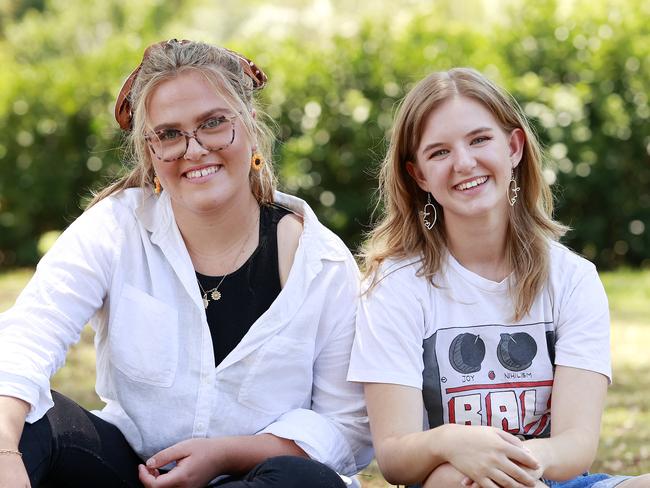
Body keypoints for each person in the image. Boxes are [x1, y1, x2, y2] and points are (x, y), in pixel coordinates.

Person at [0, 39, 372, 488]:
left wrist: (224, 455)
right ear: (151, 152)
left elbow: (348, 430)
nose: (194, 149)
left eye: (213, 123)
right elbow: (30, 332)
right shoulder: (117, 228)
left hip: (253, 478)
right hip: (130, 470)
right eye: (170, 134)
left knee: (304, 480)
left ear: (250, 128)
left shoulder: (322, 264)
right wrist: (5, 449)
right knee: (27, 417)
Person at [347, 67, 650, 488]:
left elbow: (575, 445)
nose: (464, 163)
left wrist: (500, 459)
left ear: (513, 146)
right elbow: (396, 455)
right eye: (439, 153)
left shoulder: (573, 279)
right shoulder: (395, 287)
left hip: (553, 479)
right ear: (418, 175)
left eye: (479, 139)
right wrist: (455, 445)